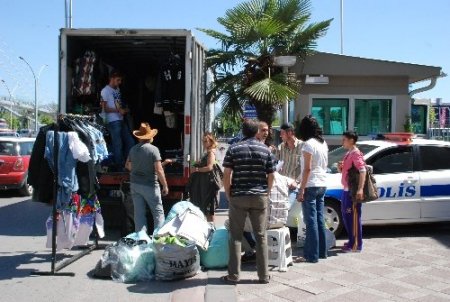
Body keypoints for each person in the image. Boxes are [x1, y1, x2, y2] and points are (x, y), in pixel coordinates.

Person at [222, 119, 275, 284]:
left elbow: (226, 174)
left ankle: (233, 275)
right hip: (260, 197)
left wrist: (228, 193)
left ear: (243, 132)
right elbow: (271, 175)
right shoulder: (266, 150)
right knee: (261, 236)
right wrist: (267, 191)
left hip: (239, 196)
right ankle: (264, 276)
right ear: (256, 131)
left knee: (236, 236)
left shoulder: (234, 149)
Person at [295, 115, 329, 263]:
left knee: (311, 221)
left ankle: (311, 255)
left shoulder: (308, 144)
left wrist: (301, 189)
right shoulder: (323, 143)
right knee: (319, 219)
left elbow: (307, 169)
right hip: (322, 183)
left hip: (311, 184)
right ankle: (322, 252)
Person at [125, 123, 169, 233]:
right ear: (150, 137)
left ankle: (141, 239)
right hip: (150, 185)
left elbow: (128, 166)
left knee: (139, 214)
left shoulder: (133, 149)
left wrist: (138, 170)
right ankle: (158, 239)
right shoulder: (153, 150)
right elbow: (158, 170)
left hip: (135, 184)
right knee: (158, 213)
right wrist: (165, 185)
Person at [337, 131, 367, 253]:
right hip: (346, 189)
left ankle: (356, 244)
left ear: (351, 140)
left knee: (353, 218)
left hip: (352, 191)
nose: (342, 142)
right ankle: (351, 240)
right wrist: (341, 168)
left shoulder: (355, 154)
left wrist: (360, 189)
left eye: (344, 139)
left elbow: (363, 170)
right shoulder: (349, 153)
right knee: (347, 217)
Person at [101, 70, 135, 169]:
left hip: (120, 119)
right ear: (111, 78)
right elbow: (105, 108)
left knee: (130, 142)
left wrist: (123, 109)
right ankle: (119, 166)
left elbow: (117, 103)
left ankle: (125, 162)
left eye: (120, 80)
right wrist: (118, 110)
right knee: (118, 144)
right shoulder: (105, 91)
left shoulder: (117, 90)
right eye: (118, 80)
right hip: (112, 121)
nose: (119, 82)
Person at [189, 132, 220, 222]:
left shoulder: (211, 153)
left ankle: (211, 230)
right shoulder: (208, 152)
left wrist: (196, 170)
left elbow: (210, 167)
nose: (204, 143)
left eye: (206, 141)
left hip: (209, 185)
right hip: (206, 184)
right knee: (207, 208)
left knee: (209, 209)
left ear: (211, 141)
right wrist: (195, 163)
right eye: (203, 141)